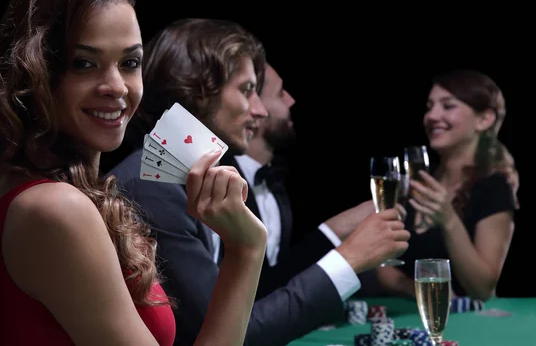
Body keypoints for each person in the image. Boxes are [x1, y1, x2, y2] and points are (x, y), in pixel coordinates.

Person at [0, 0, 267, 346]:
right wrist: (246, 250)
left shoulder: (51, 193)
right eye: (84, 63)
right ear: (35, 72)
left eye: (130, 62)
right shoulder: (55, 209)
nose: (116, 86)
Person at [109, 17, 411, 346]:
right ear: (198, 91)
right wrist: (349, 260)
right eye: (247, 90)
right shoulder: (151, 187)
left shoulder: (209, 179)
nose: (261, 110)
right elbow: (238, 334)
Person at [224, 63, 387, 298]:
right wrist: (334, 232)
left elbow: (277, 279)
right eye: (280, 93)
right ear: (252, 106)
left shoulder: (274, 182)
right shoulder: (223, 183)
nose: (291, 100)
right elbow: (250, 291)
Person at [376, 69, 520, 301]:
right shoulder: (419, 179)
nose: (432, 116)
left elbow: (482, 289)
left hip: (465, 325)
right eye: (429, 106)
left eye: (448, 106)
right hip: (407, 317)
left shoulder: (493, 188)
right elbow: (381, 263)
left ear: (484, 119)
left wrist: (448, 219)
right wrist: (413, 288)